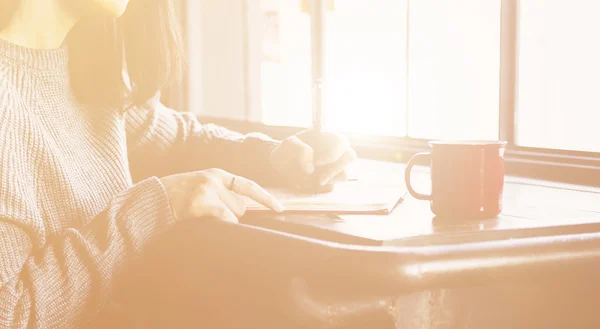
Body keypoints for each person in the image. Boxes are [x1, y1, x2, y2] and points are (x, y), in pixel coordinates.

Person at [0, 0, 356, 328]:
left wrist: (272, 157)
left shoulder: (82, 61)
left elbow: (176, 139)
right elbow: (10, 315)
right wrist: (150, 209)